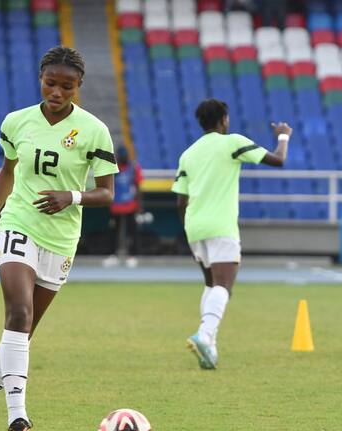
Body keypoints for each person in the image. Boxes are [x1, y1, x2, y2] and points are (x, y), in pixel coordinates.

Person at [0, 45, 118, 431]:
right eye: (51, 83)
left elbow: (107, 193)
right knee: (18, 312)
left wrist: (72, 196)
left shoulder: (94, 131)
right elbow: (7, 172)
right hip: (18, 224)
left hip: (61, 240)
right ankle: (18, 419)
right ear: (40, 79)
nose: (57, 92)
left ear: (79, 86)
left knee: (22, 333)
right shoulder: (16, 122)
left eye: (67, 86)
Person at [171, 98, 292, 370]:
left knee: (211, 285)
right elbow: (278, 159)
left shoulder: (188, 153)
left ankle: (209, 349)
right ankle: (204, 335)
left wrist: (189, 227)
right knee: (224, 286)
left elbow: (180, 201)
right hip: (221, 226)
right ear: (224, 119)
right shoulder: (232, 142)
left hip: (194, 227)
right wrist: (283, 136)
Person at [109, 145, 143, 265]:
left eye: (125, 156)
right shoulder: (113, 169)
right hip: (116, 206)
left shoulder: (133, 168)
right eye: (121, 156)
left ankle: (132, 256)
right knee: (114, 232)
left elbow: (138, 188)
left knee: (132, 232)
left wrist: (139, 207)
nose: (123, 158)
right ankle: (113, 255)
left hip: (130, 206)